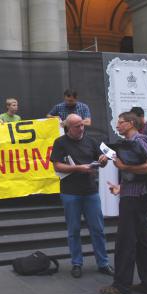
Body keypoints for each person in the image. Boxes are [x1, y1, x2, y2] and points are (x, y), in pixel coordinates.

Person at [101, 111, 147, 294]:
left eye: (121, 122)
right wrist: (121, 188)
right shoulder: (131, 143)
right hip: (133, 195)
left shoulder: (139, 140)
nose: (117, 125)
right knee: (143, 242)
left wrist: (125, 167)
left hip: (134, 200)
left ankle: (121, 286)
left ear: (131, 124)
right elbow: (136, 175)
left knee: (125, 242)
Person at [51, 114, 113, 278]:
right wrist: (78, 168)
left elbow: (105, 157)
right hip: (70, 192)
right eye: (77, 126)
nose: (81, 128)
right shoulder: (60, 143)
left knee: (98, 229)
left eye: (82, 125)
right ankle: (76, 263)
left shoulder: (90, 140)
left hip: (90, 190)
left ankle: (103, 263)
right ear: (68, 128)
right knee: (74, 230)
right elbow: (57, 166)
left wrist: (104, 159)